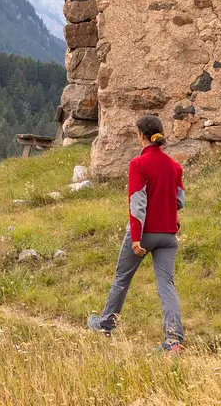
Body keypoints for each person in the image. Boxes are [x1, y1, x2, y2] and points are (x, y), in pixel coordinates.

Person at [87, 115, 185, 351]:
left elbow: (137, 203)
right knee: (166, 285)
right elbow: (179, 201)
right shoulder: (174, 166)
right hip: (168, 235)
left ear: (141, 136)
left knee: (122, 278)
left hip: (144, 233)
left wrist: (137, 237)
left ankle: (105, 326)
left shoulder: (138, 165)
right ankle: (173, 340)